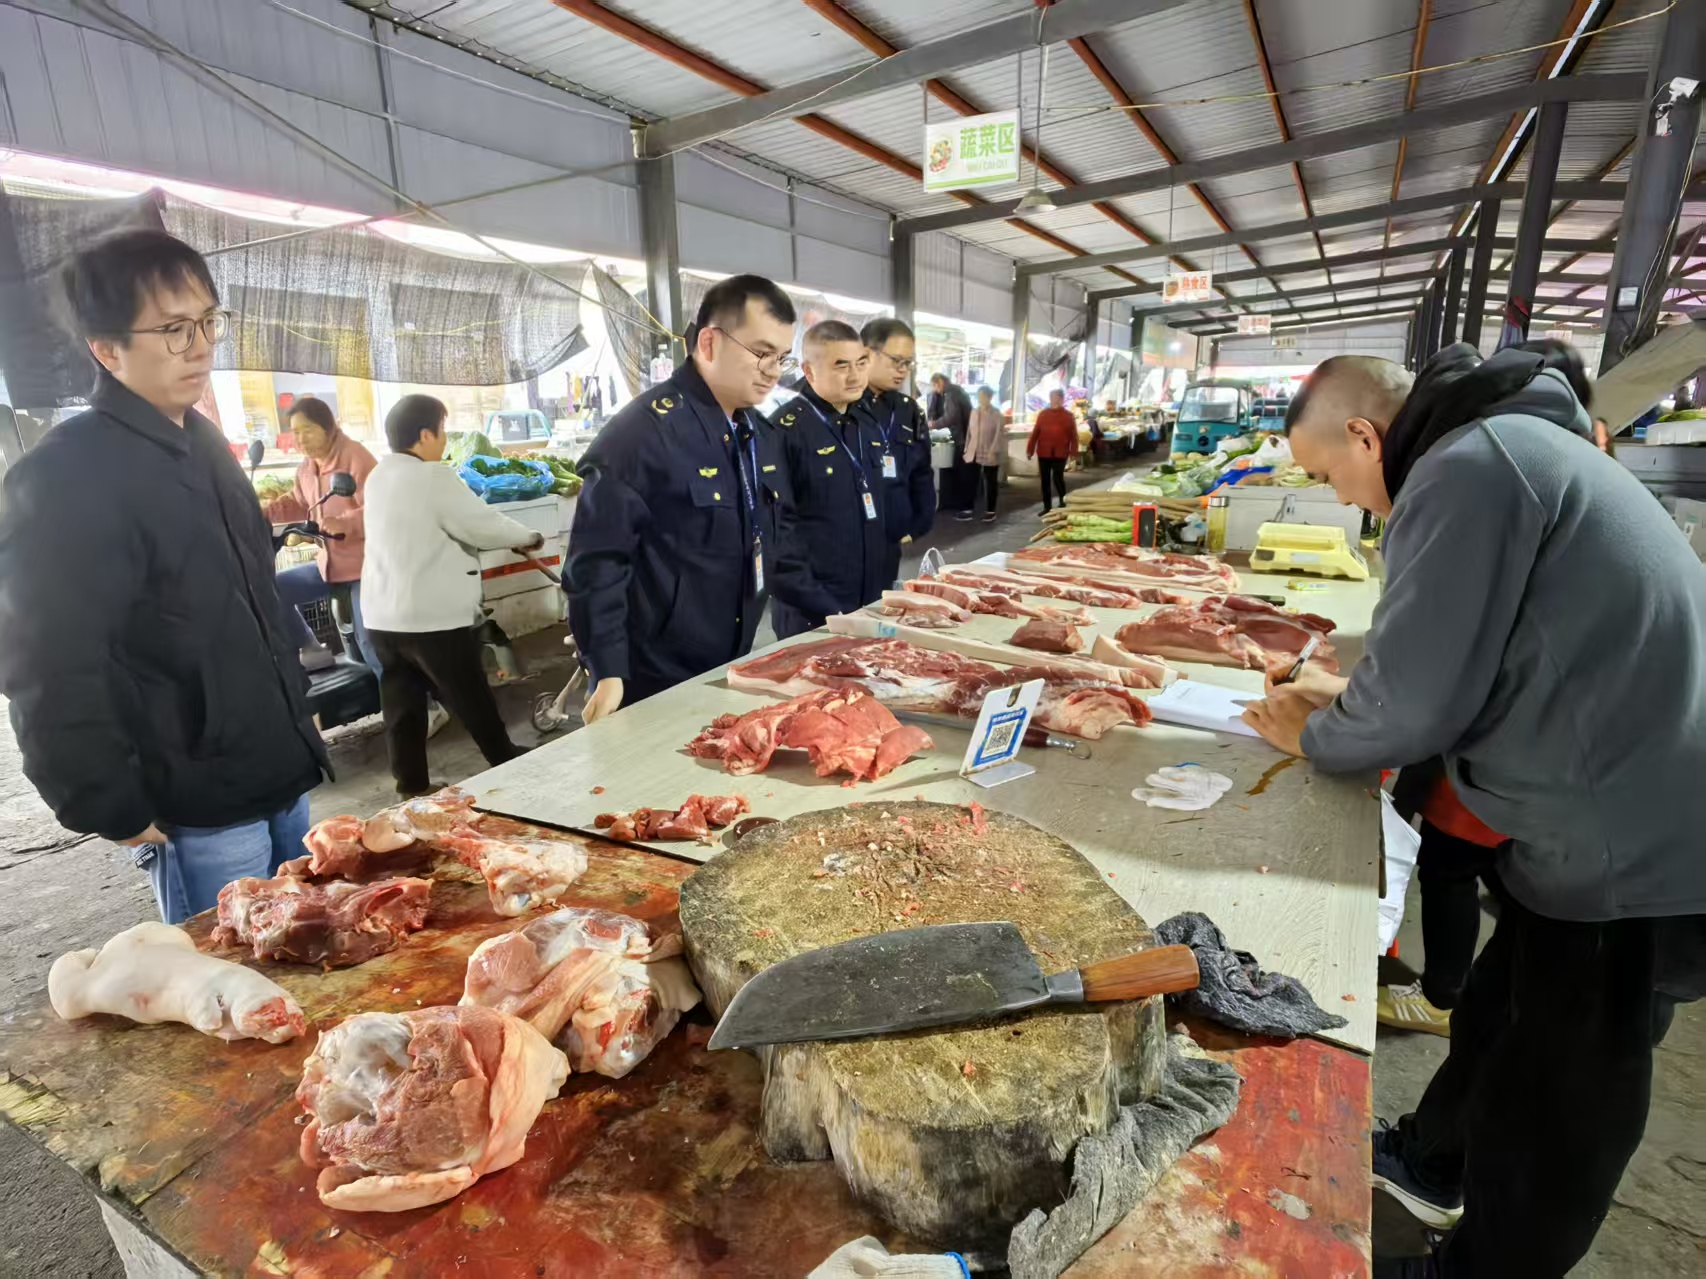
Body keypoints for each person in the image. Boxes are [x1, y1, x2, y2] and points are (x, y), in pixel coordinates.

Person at [1239, 346, 1706, 1278]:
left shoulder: (1467, 469)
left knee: (1563, 1089)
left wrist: (1314, 731)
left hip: (1632, 841)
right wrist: (1353, 694)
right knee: (1501, 1012)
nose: (1339, 499)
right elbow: (1453, 654)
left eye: (1328, 474)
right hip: (1600, 810)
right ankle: (1435, 1161)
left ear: (1365, 437)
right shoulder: (1507, 445)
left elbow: (1417, 705)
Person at [0, 229, 328, 923]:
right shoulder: (65, 475)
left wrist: (296, 713)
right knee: (230, 977)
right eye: (174, 329)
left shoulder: (205, 445)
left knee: (311, 947)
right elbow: (47, 661)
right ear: (106, 348)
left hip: (279, 769)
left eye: (209, 321)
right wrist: (103, 799)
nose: (201, 346)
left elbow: (254, 601)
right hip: (195, 799)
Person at [567, 274, 834, 723]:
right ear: (709, 342)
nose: (773, 370)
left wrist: (835, 615)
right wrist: (607, 669)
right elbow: (596, 565)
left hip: (728, 660)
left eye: (781, 358)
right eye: (761, 353)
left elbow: (774, 545)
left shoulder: (755, 433)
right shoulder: (642, 434)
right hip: (651, 678)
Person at [361, 394, 538, 797]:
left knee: (402, 704)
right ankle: (507, 762)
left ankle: (411, 784)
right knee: (470, 695)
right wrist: (528, 536)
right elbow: (481, 524)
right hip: (431, 617)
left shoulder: (379, 476)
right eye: (442, 431)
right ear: (425, 434)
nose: (443, 440)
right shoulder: (432, 477)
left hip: (382, 616)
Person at [769, 321, 887, 638]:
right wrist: (825, 608)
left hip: (869, 598)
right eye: (841, 366)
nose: (855, 376)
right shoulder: (784, 432)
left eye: (861, 363)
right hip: (813, 612)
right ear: (809, 371)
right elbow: (776, 539)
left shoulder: (866, 424)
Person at [261, 396, 382, 675]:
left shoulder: (356, 457)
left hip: (365, 568)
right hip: (329, 566)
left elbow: (381, 507)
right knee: (273, 589)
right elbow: (299, 500)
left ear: (328, 427)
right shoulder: (307, 467)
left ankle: (404, 698)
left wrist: (345, 523)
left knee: (370, 645)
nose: (300, 438)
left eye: (308, 429)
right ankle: (312, 647)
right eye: (295, 431)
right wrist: (265, 511)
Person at [856, 318, 936, 587]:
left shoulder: (907, 409)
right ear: (867, 353)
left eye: (908, 363)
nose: (903, 370)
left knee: (880, 602)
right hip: (846, 540)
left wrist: (920, 522)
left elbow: (921, 470)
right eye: (896, 361)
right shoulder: (842, 405)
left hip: (890, 539)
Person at [1027, 389, 1078, 513]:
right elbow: (1035, 433)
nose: (1055, 400)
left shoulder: (1068, 416)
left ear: (1062, 399)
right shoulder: (1043, 415)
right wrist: (1030, 449)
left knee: (1057, 477)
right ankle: (1047, 507)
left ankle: (1063, 501)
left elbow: (1073, 436)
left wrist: (1073, 452)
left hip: (1061, 453)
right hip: (1044, 452)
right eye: (1053, 398)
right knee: (1044, 480)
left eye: (1057, 398)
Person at [928, 373, 972, 512]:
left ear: (940, 382)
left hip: (958, 437)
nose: (935, 389)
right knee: (954, 470)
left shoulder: (951, 394)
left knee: (955, 470)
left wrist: (933, 424)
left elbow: (951, 417)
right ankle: (954, 503)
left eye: (935, 385)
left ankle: (958, 505)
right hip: (960, 436)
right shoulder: (956, 391)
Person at [961, 385, 1003, 522]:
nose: (980, 399)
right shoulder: (974, 412)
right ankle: (968, 508)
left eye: (983, 396)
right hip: (973, 451)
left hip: (989, 451)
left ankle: (990, 510)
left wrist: (993, 450)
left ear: (989, 397)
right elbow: (969, 432)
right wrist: (966, 448)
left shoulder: (996, 414)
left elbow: (999, 434)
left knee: (990, 482)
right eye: (979, 396)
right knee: (970, 480)